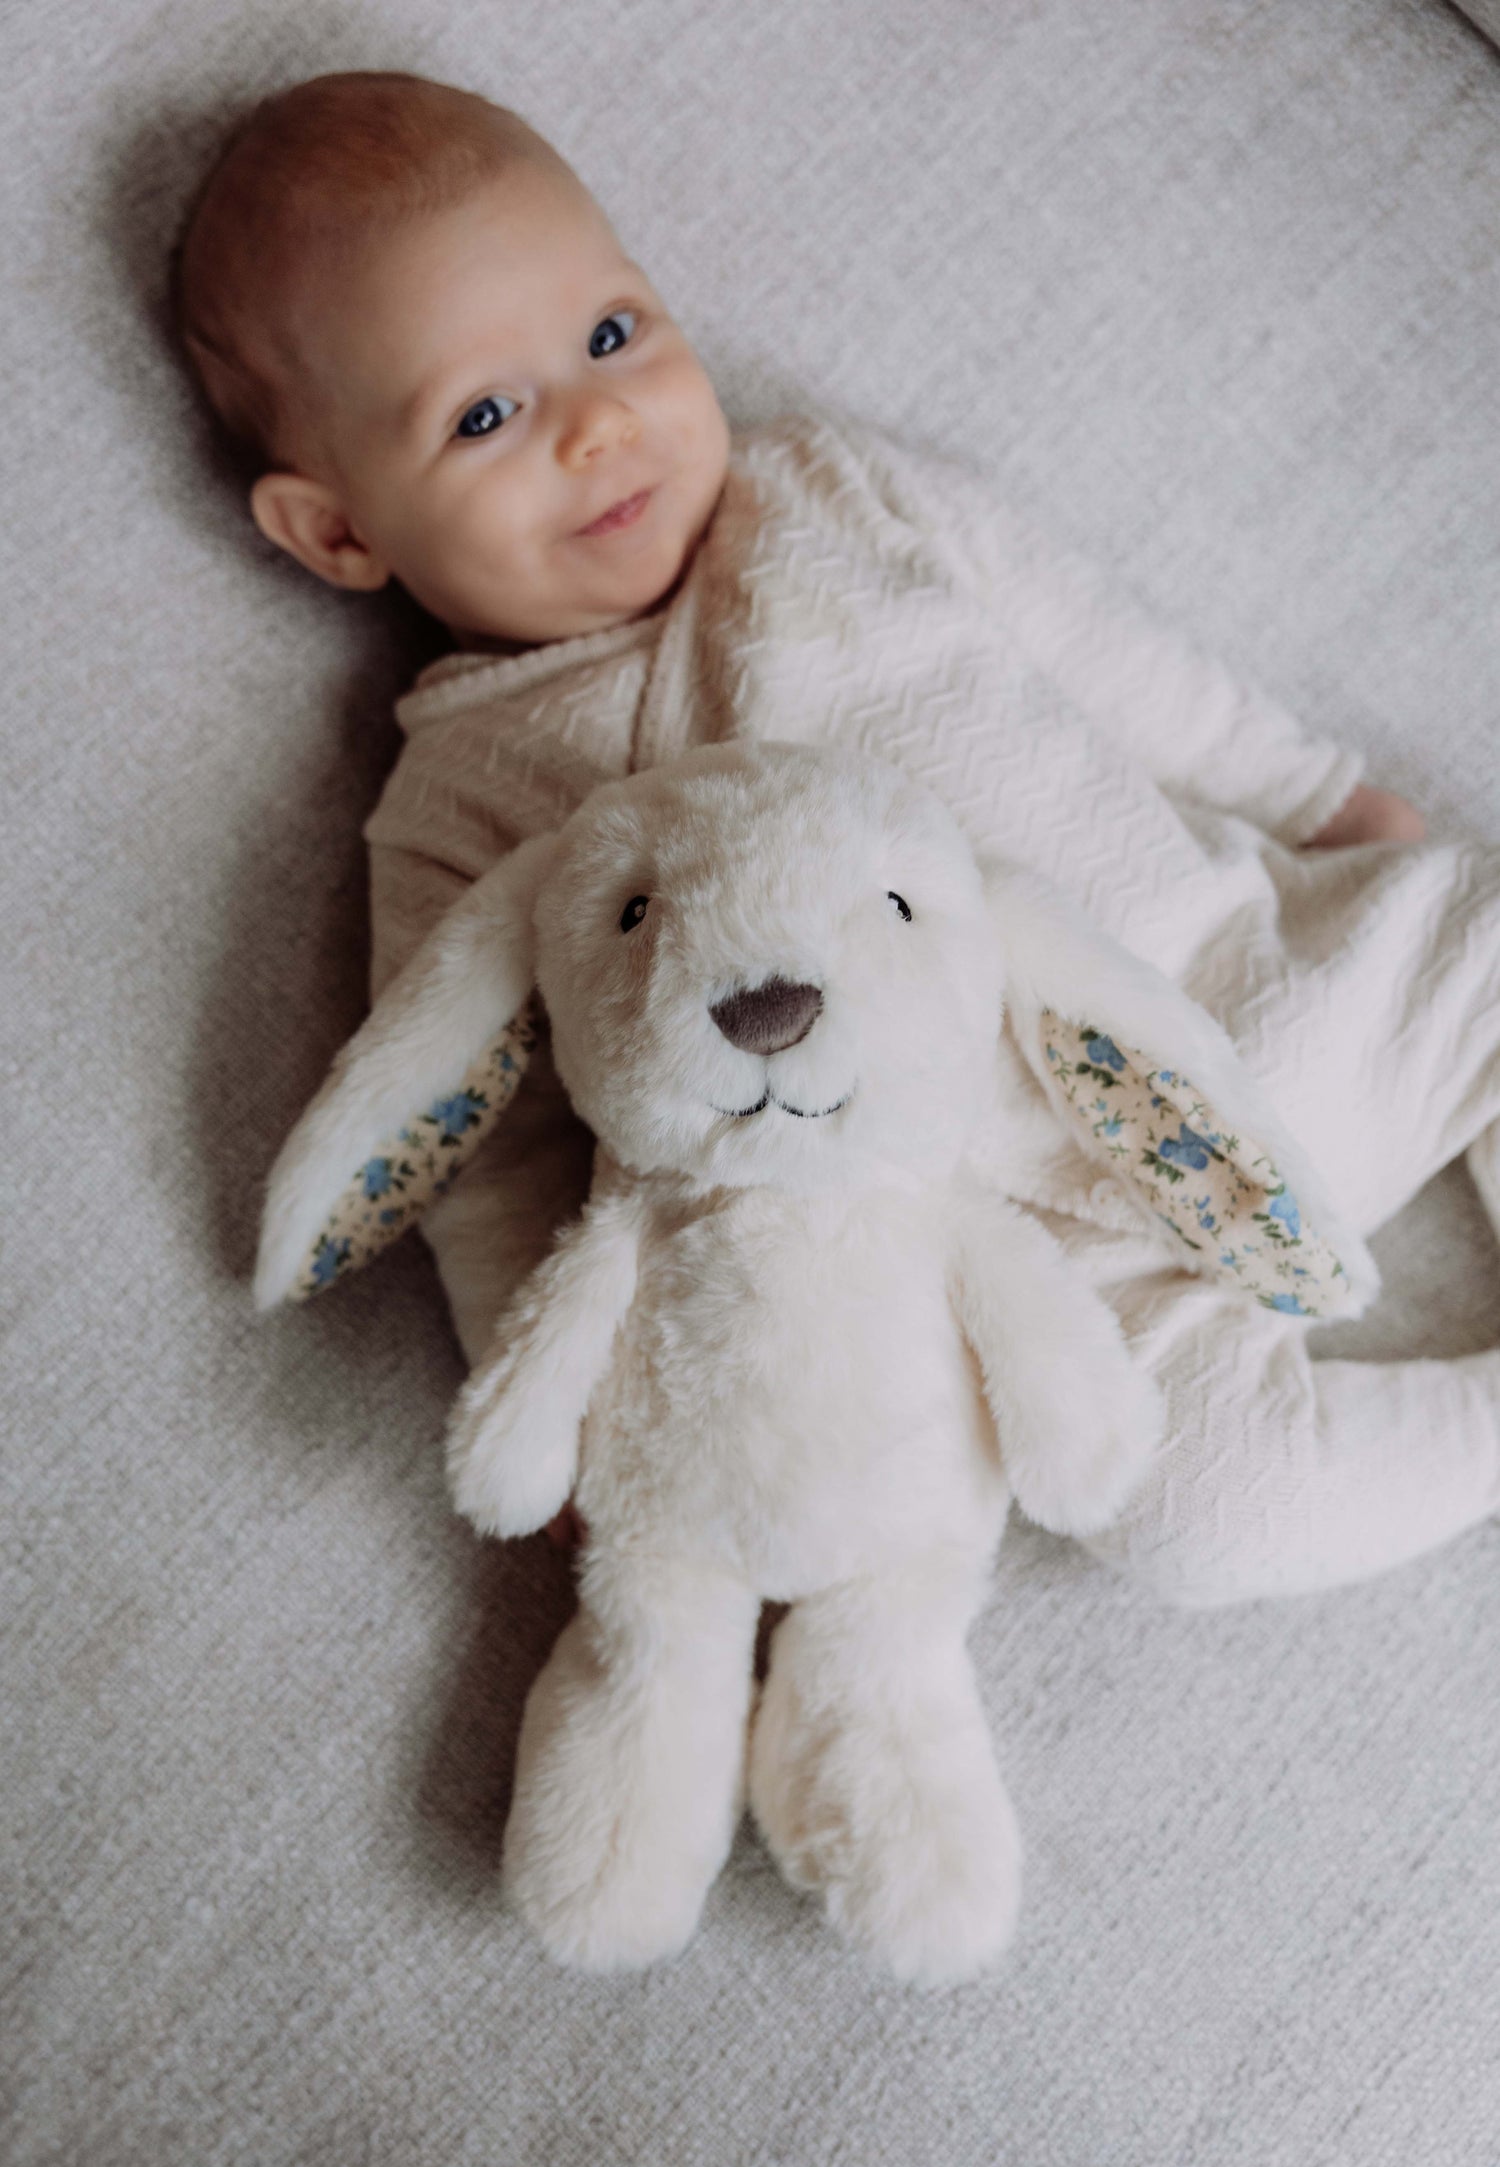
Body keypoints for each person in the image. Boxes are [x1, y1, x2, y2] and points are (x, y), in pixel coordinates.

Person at [175, 70, 1500, 1605]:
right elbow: (481, 1148)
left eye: (611, 333)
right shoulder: (459, 800)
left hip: (1234, 980)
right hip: (1027, 1261)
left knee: (1476, 949)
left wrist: (1312, 791)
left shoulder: (822, 490)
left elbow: (1098, 645)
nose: (599, 423)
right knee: (1201, 1511)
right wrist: (561, 1389)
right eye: (486, 414)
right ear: (339, 529)